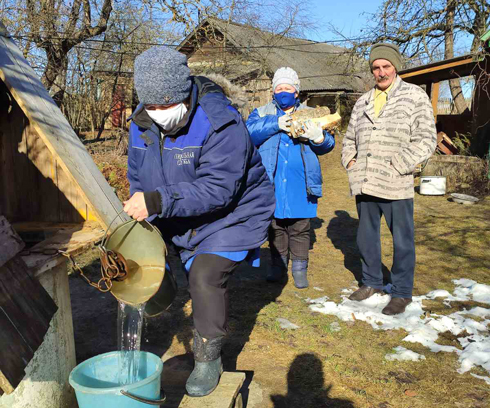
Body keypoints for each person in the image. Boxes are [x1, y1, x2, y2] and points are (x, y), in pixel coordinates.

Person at [124, 46, 275, 397]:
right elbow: (138, 174)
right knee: (154, 262)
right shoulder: (142, 121)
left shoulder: (221, 122)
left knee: (204, 276)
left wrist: (157, 201)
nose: (158, 114)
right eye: (151, 105)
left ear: (183, 94)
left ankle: (208, 358)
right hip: (178, 211)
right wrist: (143, 208)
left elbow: (219, 189)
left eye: (165, 105)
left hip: (233, 214)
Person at [341, 43, 437, 315]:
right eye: (376, 67)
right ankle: (372, 282)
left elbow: (426, 139)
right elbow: (349, 139)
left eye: (386, 66)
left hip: (396, 181)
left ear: (395, 67)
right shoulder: (363, 101)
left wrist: (399, 164)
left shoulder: (413, 96)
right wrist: (350, 161)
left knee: (402, 240)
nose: (381, 72)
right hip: (365, 181)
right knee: (366, 237)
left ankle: (402, 291)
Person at [246, 67, 335, 289]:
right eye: (279, 88)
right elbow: (247, 134)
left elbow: (328, 145)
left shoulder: (313, 113)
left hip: (301, 181)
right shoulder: (262, 112)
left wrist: (319, 137)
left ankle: (299, 268)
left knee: (300, 227)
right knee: (275, 225)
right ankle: (278, 267)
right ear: (273, 91)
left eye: (288, 88)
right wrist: (275, 124)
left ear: (296, 92)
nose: (283, 91)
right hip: (270, 181)